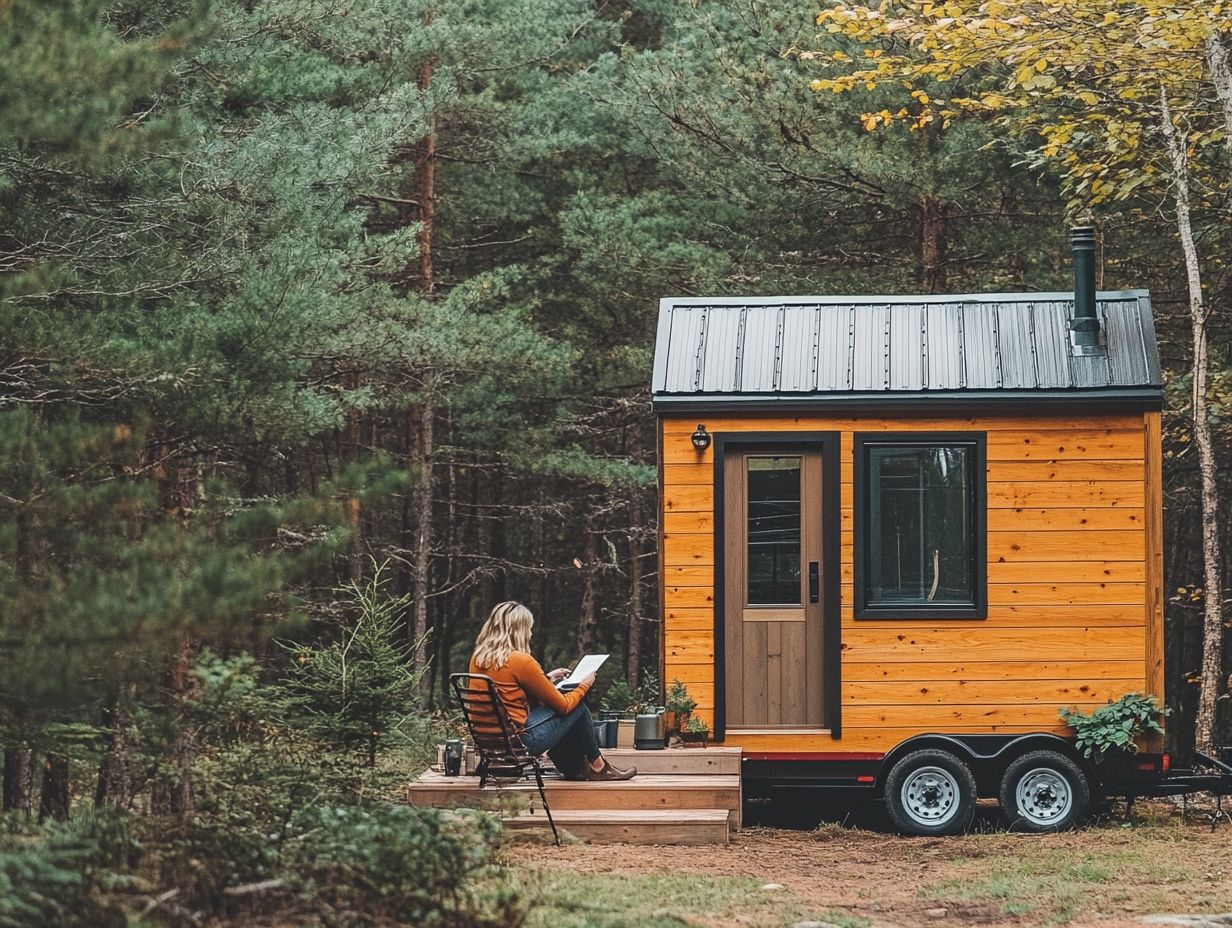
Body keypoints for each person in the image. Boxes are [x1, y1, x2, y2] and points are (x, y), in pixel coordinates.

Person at [468, 601, 636, 781]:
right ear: (520, 630)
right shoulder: (521, 660)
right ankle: (598, 766)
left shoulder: (478, 659)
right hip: (520, 745)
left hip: (490, 744)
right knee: (576, 706)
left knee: (566, 706)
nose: (530, 633)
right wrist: (585, 684)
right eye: (529, 628)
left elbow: (508, 689)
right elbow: (564, 706)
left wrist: (547, 679)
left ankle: (577, 769)